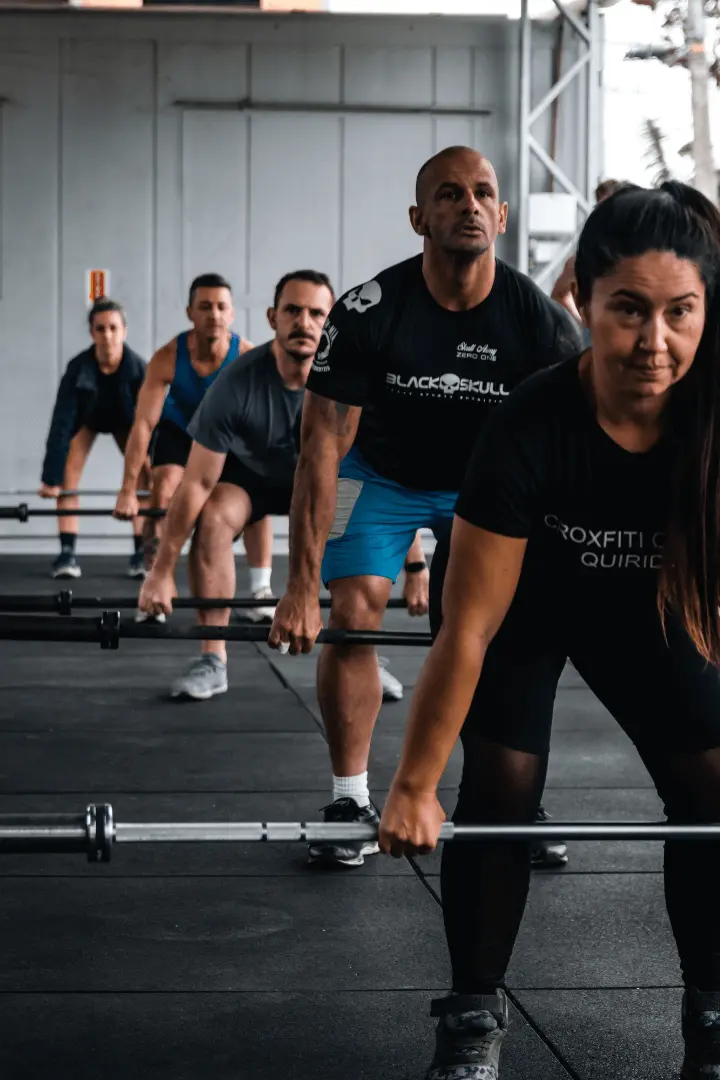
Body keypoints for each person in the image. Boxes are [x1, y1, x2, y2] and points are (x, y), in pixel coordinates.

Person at [378, 181, 720, 1080]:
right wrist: (414, 784)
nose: (656, 343)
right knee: (501, 791)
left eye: (681, 314)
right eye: (629, 312)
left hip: (648, 606)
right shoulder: (527, 426)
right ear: (582, 298)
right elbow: (469, 628)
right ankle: (472, 1016)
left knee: (714, 791)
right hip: (528, 606)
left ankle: (715, 1014)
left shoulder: (712, 413)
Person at [268, 145, 583, 869]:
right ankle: (351, 796)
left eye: (481, 193)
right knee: (351, 613)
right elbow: (321, 448)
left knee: (500, 628)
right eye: (448, 194)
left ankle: (512, 793)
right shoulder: (368, 311)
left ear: (501, 216)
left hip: (486, 487)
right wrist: (296, 585)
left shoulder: (539, 325)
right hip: (377, 474)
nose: (467, 205)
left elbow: (569, 450)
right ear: (419, 216)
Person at [136, 270, 335, 700]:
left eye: (317, 313)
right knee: (211, 517)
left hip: (319, 480)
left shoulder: (346, 384)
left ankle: (362, 656)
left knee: (358, 523)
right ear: (272, 317)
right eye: (293, 310)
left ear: (330, 322)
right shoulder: (237, 381)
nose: (304, 322)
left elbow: (377, 476)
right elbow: (195, 482)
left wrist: (415, 565)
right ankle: (213, 658)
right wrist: (161, 570)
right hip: (252, 480)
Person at [113, 273, 271, 622]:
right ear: (190, 312)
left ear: (231, 314)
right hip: (180, 432)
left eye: (221, 307)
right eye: (204, 306)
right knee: (164, 488)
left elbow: (262, 422)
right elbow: (142, 424)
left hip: (228, 437)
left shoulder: (245, 356)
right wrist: (128, 490)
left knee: (256, 497)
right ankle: (155, 582)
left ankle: (261, 590)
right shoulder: (168, 357)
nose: (213, 314)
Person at [39, 298, 149, 580]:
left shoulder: (138, 369)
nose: (107, 335)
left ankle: (141, 553)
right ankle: (67, 553)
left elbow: (150, 425)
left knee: (144, 476)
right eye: (100, 329)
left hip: (127, 422)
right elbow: (61, 423)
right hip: (88, 420)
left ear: (124, 331)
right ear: (92, 333)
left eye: (113, 328)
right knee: (65, 477)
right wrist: (50, 478)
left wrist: (166, 474)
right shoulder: (78, 368)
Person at [551, 178, 629, 325]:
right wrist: (583, 331)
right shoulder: (582, 260)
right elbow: (559, 295)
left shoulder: (647, 256)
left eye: (609, 209)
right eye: (599, 210)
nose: (603, 217)